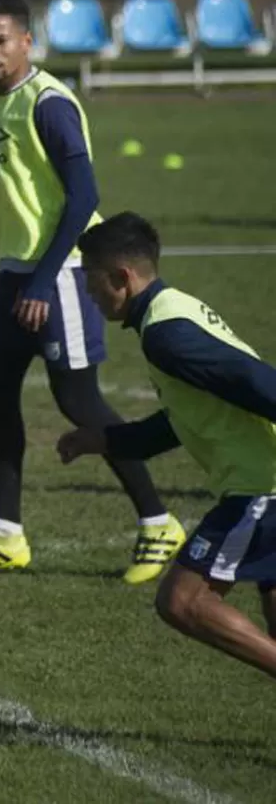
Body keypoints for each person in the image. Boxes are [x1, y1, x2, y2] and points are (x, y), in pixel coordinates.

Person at [0, 0, 182, 584]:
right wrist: (24, 274)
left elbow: (83, 197)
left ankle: (158, 522)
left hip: (66, 273)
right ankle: (6, 536)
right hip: (14, 273)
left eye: (1, 40)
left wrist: (47, 277)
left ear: (28, 41)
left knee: (79, 402)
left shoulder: (49, 105)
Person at [59, 213, 276, 678]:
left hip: (262, 488)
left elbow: (256, 382)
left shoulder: (168, 335)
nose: (88, 292)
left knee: (182, 601)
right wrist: (107, 439)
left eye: (91, 279)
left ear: (121, 277)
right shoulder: (171, 311)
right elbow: (184, 419)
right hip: (260, 484)